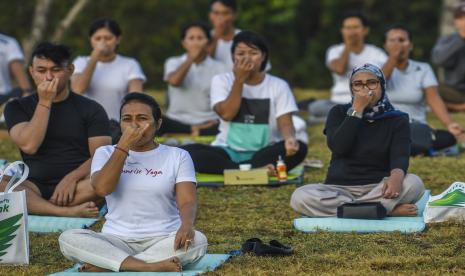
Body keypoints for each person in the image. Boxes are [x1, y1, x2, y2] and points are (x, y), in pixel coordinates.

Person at [59, 93, 207, 273]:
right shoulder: (105, 153)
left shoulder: (177, 156)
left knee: (198, 241)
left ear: (158, 124)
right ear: (120, 123)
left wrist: (186, 226)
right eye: (127, 119)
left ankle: (110, 265)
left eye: (142, 118)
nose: (134, 125)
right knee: (68, 238)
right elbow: (102, 188)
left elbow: (187, 201)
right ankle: (147, 266)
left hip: (165, 238)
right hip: (116, 240)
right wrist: (124, 146)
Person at [290, 64, 425, 217]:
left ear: (382, 86)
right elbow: (339, 147)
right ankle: (382, 210)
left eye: (372, 83)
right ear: (351, 88)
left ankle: (358, 210)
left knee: (414, 183)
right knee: (300, 196)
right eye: (358, 84)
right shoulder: (338, 112)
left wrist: (396, 178)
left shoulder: (397, 118)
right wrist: (356, 111)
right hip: (339, 189)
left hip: (380, 188)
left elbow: (400, 155)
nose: (365, 88)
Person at [2, 42, 111, 217]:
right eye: (41, 70)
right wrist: (45, 102)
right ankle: (64, 211)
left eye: (56, 70)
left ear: (70, 70)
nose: (49, 77)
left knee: (107, 179)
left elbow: (103, 155)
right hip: (33, 185)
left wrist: (72, 178)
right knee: (2, 184)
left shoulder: (91, 108)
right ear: (31, 71)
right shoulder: (16, 107)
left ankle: (40, 208)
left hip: (79, 186)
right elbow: (29, 145)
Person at [182, 31, 307, 174]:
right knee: (187, 153)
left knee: (300, 148)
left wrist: (289, 138)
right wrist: (239, 80)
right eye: (241, 54)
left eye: (253, 53)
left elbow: (285, 122)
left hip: (264, 152)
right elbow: (227, 114)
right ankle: (248, 170)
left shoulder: (278, 85)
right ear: (233, 57)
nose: (247, 58)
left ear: (263, 56)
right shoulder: (222, 80)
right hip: (227, 150)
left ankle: (242, 169)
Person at [383, 25, 465, 154]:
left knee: (447, 138)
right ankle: (421, 148)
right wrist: (393, 58)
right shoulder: (376, 67)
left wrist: (450, 124)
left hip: (416, 127)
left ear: (410, 45)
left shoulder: (423, 68)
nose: (397, 44)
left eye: (402, 40)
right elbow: (380, 83)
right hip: (387, 127)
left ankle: (415, 147)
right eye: (392, 40)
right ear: (385, 46)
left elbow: (433, 98)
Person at [71, 18, 146, 142]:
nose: (103, 43)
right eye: (98, 38)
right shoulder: (81, 62)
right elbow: (78, 89)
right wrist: (95, 56)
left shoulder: (130, 64)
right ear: (91, 40)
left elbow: (136, 98)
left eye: (108, 38)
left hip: (119, 128)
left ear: (118, 39)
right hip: (86, 128)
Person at [304, 11, 387, 123]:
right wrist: (348, 45)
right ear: (342, 31)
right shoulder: (334, 50)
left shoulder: (377, 53)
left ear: (365, 30)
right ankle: (355, 116)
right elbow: (339, 69)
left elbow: (385, 77)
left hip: (367, 102)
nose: (352, 32)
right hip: (338, 102)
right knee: (315, 107)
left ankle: (340, 117)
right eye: (348, 28)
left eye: (355, 27)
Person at [159, 22, 227, 136]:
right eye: (191, 38)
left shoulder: (221, 67)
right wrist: (191, 58)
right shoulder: (173, 62)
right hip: (176, 121)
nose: (195, 42)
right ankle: (195, 129)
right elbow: (174, 81)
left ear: (208, 43)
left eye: (200, 38)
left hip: (209, 122)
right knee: (157, 121)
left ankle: (197, 129)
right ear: (184, 43)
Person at [431, 2, 465, 112]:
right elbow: (438, 60)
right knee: (429, 87)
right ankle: (460, 107)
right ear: (455, 21)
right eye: (461, 18)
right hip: (454, 91)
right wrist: (461, 39)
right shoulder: (448, 40)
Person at [0, 33, 32, 104]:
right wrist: (27, 91)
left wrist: (27, 91)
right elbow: (16, 66)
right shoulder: (8, 43)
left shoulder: (8, 43)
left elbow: (16, 66)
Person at [207, 0, 240, 70]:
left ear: (234, 15)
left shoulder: (246, 38)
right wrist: (217, 34)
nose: (220, 17)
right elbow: (204, 63)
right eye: (216, 13)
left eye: (226, 13)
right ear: (210, 15)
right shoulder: (202, 38)